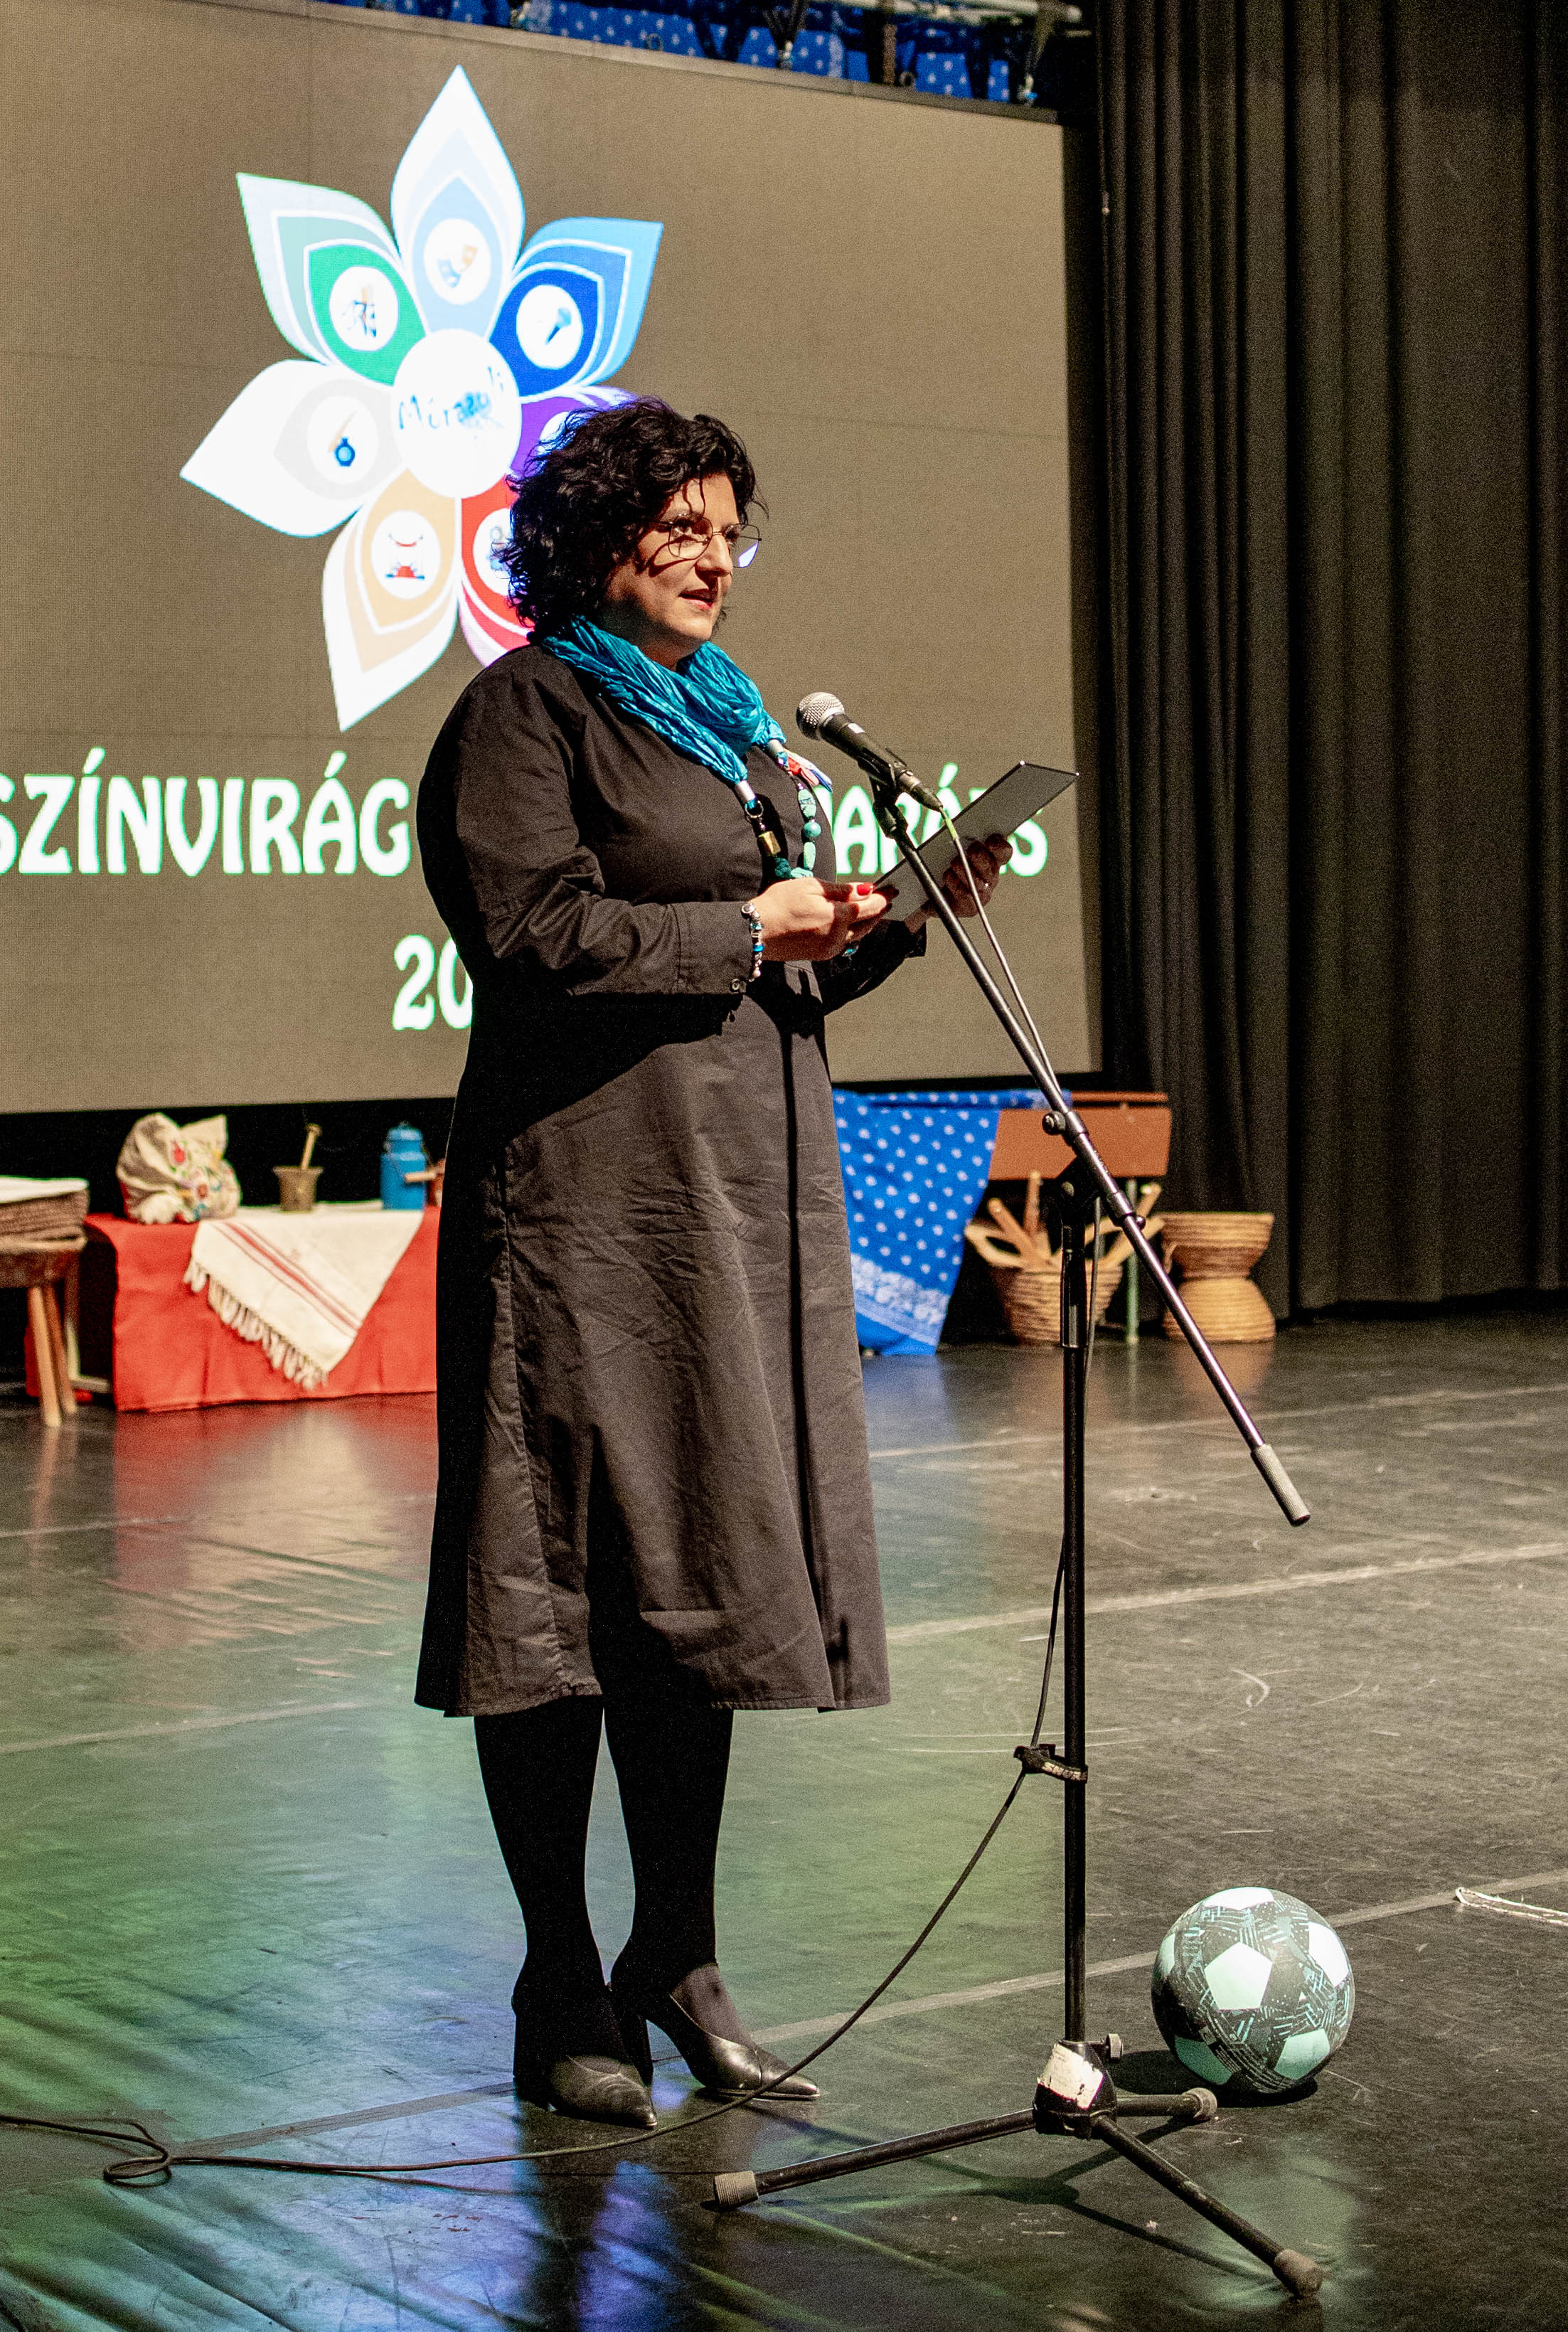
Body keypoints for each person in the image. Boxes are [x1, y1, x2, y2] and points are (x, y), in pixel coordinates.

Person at [415, 398, 1010, 2127]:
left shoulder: (738, 731)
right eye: (677, 524)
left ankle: (676, 1951)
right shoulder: (527, 710)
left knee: (698, 1581)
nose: (711, 555)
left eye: (728, 529)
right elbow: (531, 933)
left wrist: (897, 917)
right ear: (593, 537)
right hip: (580, 1222)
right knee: (560, 1598)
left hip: (732, 1215)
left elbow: (776, 973)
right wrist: (745, 925)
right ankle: (559, 1981)